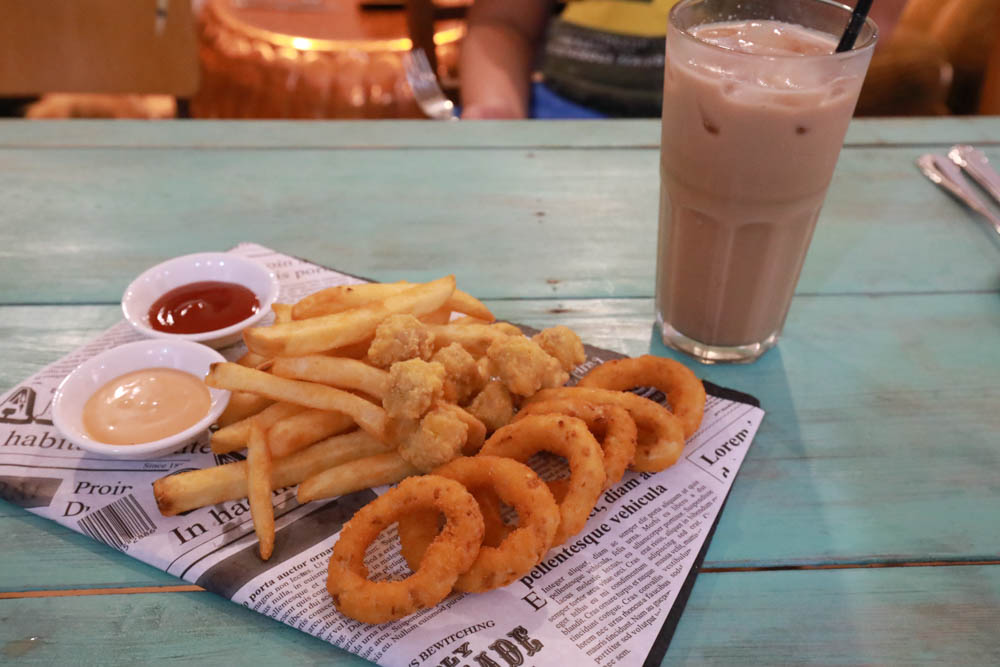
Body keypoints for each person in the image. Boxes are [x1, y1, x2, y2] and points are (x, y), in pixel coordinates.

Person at [459, 0, 910, 119]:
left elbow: (849, 34)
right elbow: (501, 22)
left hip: (748, 115)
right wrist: (493, 112)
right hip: (557, 111)